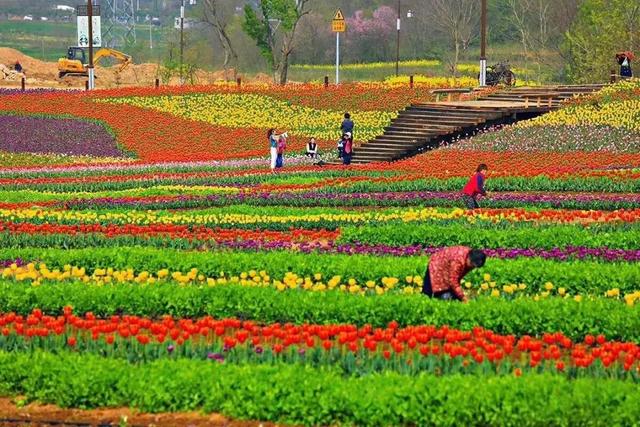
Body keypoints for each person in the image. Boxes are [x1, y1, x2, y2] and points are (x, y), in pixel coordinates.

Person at [422, 246, 487, 303]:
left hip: (447, 265)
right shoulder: (458, 261)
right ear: (469, 259)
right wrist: (463, 297)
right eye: (472, 265)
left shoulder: (472, 256)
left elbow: (456, 278)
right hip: (436, 265)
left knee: (450, 289)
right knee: (428, 291)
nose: (472, 268)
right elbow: (453, 281)